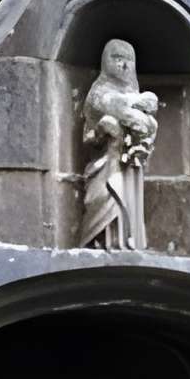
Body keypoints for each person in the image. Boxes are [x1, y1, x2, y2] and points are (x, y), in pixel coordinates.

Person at [79, 39, 159, 250]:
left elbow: (148, 124)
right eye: (117, 58)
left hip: (130, 166)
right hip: (106, 164)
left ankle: (127, 241)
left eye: (128, 60)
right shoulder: (99, 90)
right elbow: (112, 105)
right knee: (105, 197)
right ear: (106, 61)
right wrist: (138, 104)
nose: (123, 65)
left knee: (130, 203)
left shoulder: (134, 91)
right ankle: (101, 241)